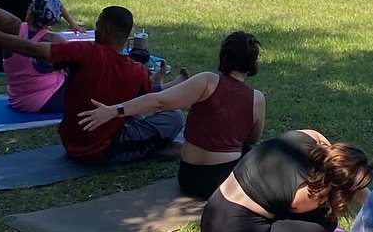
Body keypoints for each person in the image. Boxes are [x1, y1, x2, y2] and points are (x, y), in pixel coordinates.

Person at [0, 2, 183, 164]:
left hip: (72, 141)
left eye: (98, 25)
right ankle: (153, 147)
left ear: (108, 30)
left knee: (138, 113)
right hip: (99, 150)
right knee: (174, 116)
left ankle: (152, 144)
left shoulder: (84, 52)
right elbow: (155, 98)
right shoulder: (134, 70)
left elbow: (32, 49)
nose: (96, 28)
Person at [78, 31, 266, 199]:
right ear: (252, 63)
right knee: (260, 152)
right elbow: (251, 138)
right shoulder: (256, 98)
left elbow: (160, 101)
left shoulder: (208, 80)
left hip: (189, 177)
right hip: (222, 184)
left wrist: (116, 110)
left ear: (224, 56)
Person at [199, 129, 373, 232]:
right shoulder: (304, 193)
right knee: (326, 220)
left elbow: (339, 174)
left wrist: (368, 197)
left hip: (210, 220)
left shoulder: (308, 136)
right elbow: (325, 206)